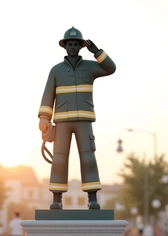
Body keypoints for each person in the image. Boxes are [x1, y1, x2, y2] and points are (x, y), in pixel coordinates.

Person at [38, 27, 116, 210]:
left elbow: (111, 68)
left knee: (88, 158)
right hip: (62, 122)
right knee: (59, 159)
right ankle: (57, 199)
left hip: (84, 121)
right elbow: (48, 94)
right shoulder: (56, 70)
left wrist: (97, 52)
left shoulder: (91, 67)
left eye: (75, 44)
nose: (72, 47)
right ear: (64, 46)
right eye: (69, 44)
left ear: (81, 46)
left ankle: (92, 197)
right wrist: (44, 116)